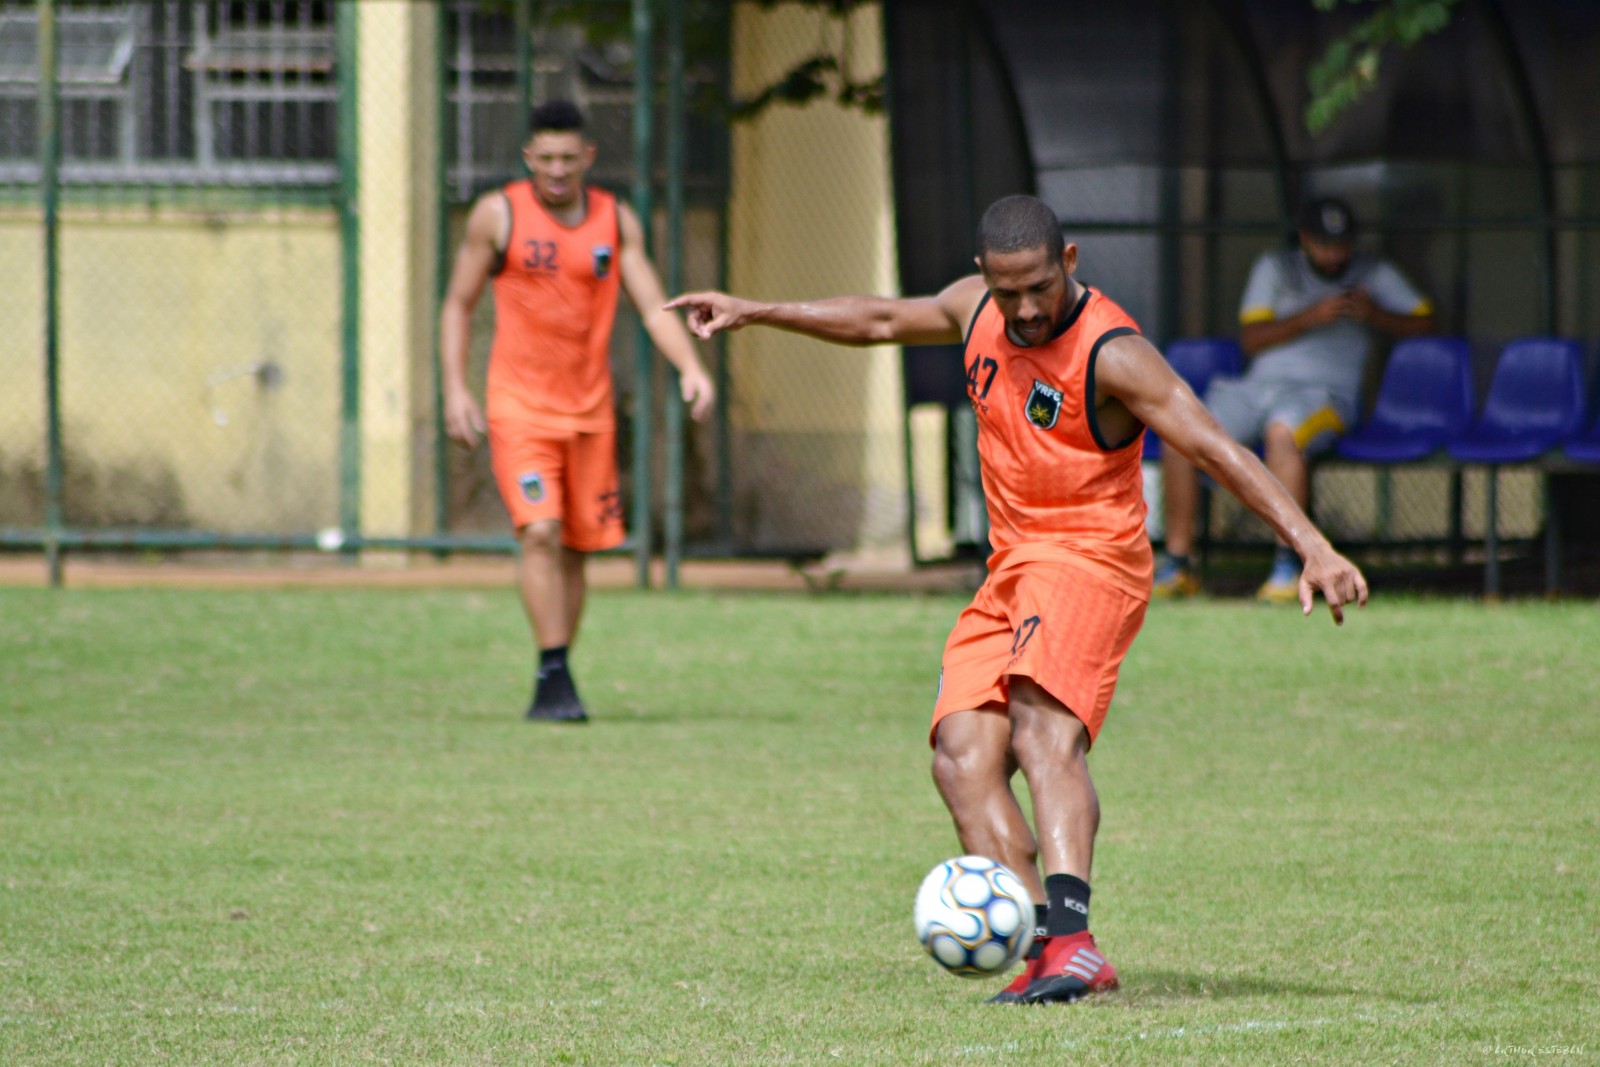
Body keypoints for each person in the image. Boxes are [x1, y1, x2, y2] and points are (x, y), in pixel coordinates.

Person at [666, 195, 1368, 1005]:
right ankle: (1045, 944)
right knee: (961, 758)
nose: (1027, 309)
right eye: (1008, 293)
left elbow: (1211, 443)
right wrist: (758, 311)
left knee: (1042, 729)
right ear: (982, 279)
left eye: (1039, 286)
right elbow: (881, 320)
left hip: (1091, 558)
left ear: (1068, 262)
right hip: (1009, 567)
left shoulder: (1113, 350)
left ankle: (1073, 938)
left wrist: (1310, 543)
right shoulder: (975, 311)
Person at [440, 99, 714, 723]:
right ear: (528, 159)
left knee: (575, 548)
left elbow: (650, 306)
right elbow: (457, 304)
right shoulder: (499, 215)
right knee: (538, 531)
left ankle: (557, 667)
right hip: (519, 410)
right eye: (547, 159)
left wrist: (691, 369)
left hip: (590, 413)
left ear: (588, 157)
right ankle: (552, 670)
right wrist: (455, 389)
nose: (558, 171)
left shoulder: (615, 221)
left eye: (570, 158)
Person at [1156, 196, 1435, 602]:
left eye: (1342, 244)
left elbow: (1429, 325)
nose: (1334, 253)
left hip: (1324, 395)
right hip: (1258, 387)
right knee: (1180, 431)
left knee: (1282, 433)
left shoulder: (1373, 273)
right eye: (1324, 243)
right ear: (1305, 239)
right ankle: (1178, 563)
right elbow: (1251, 340)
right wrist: (1311, 317)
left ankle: (1289, 565)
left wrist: (1376, 316)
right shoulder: (1276, 267)